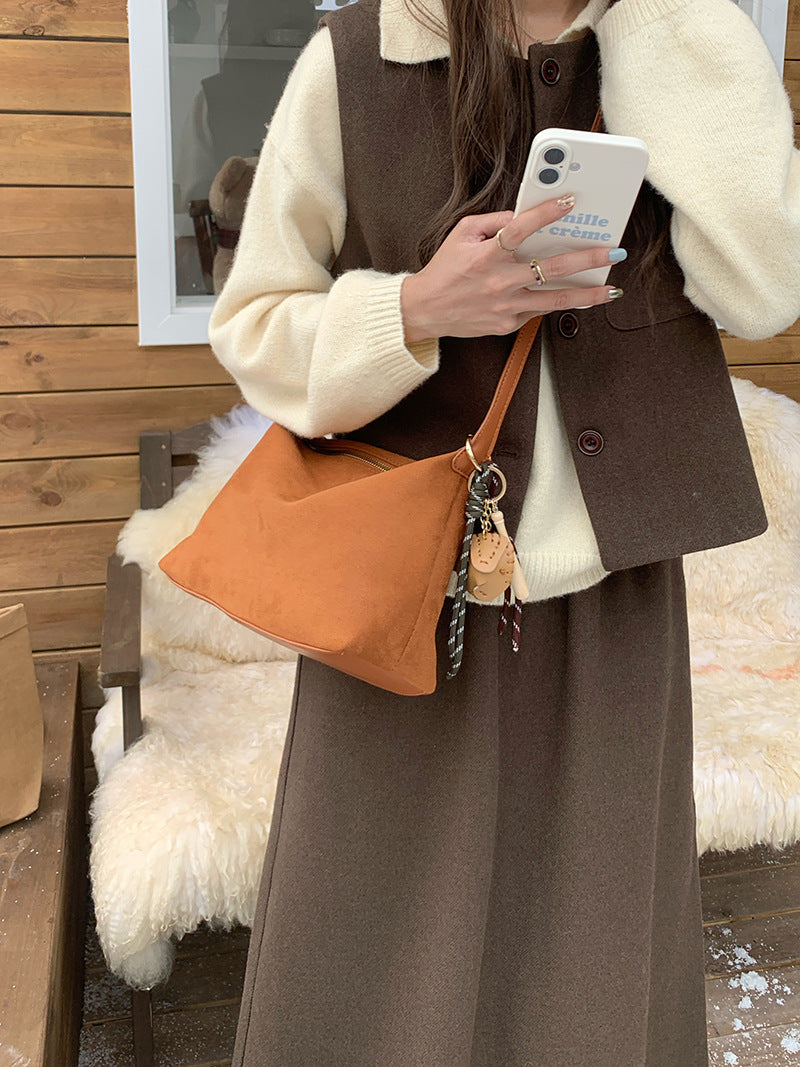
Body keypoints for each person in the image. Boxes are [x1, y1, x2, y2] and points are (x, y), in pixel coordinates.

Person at [207, 0, 800, 1062]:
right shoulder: (359, 60)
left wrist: (672, 34)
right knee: (374, 958)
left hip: (614, 599)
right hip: (397, 594)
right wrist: (412, 310)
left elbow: (764, 291)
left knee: (592, 956)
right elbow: (252, 327)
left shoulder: (675, 41)